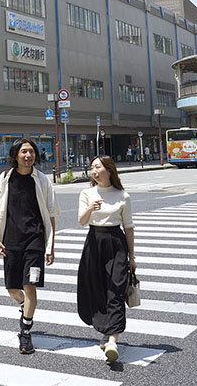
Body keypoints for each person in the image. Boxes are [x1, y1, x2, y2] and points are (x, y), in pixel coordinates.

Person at [0, 137, 60, 355]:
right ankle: (24, 306)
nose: (29, 156)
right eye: (24, 152)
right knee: (12, 288)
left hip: (35, 241)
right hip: (11, 240)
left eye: (32, 152)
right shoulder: (5, 178)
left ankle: (25, 333)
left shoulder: (42, 180)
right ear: (15, 155)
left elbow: (51, 213)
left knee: (30, 286)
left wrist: (51, 245)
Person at [77, 155, 136, 364]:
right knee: (98, 289)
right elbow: (82, 222)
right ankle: (105, 330)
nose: (94, 171)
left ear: (109, 170)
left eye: (98, 167)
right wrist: (89, 208)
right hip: (94, 241)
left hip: (116, 244)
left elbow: (128, 227)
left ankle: (113, 340)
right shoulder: (87, 193)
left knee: (116, 290)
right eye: (92, 167)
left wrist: (132, 257)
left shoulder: (122, 196)